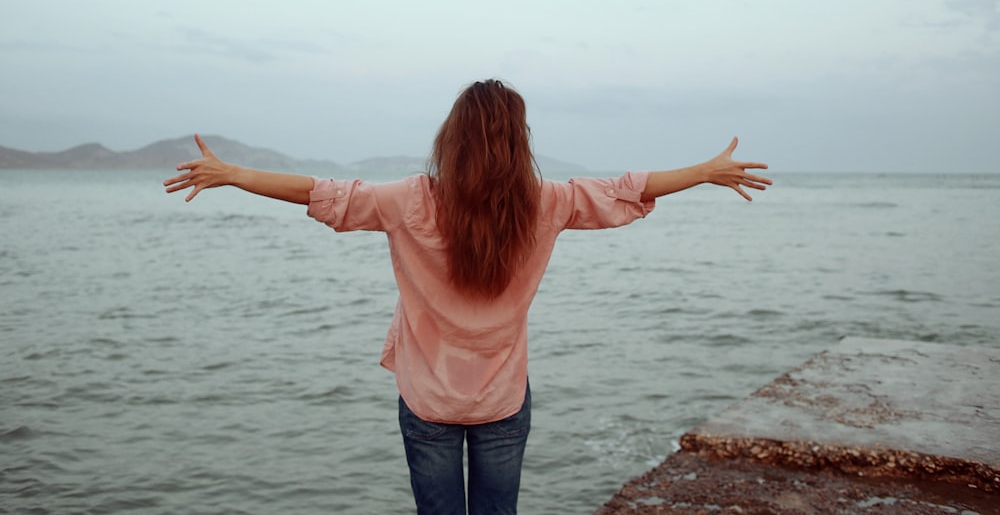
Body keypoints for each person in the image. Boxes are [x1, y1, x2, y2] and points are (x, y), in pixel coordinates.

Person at [163, 79, 771, 514]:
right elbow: (623, 189)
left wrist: (237, 175)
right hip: (503, 399)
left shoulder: (409, 200)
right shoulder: (546, 202)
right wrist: (704, 171)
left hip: (427, 397)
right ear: (518, 142)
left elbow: (325, 194)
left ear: (452, 139)